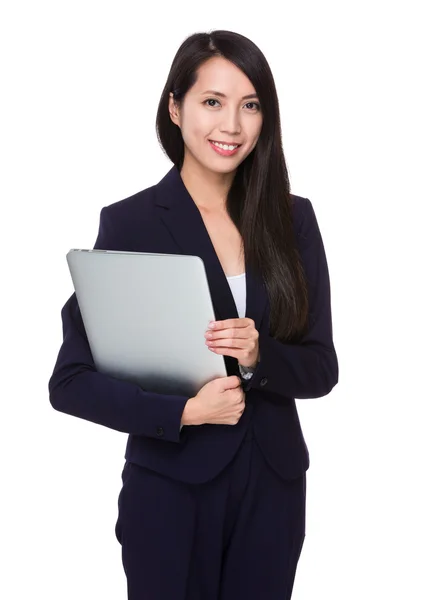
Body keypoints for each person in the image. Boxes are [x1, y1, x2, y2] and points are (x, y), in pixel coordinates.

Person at [49, 29, 339, 600]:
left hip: (273, 490)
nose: (231, 125)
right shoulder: (130, 224)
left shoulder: (292, 219)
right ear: (175, 107)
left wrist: (259, 359)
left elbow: (322, 368)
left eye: (250, 105)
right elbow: (70, 383)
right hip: (170, 494)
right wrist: (183, 411)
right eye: (213, 102)